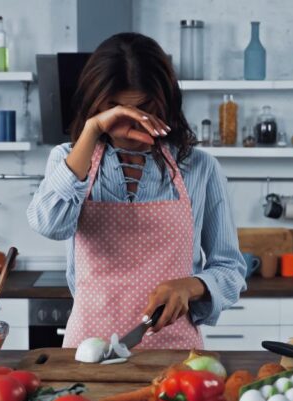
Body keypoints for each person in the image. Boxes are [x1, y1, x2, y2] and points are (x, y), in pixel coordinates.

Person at [27, 32, 246, 349]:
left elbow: (230, 269)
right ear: (96, 105)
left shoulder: (200, 168)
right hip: (89, 353)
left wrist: (193, 285)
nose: (131, 123)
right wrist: (92, 130)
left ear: (167, 103)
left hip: (175, 355)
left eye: (144, 108)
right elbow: (50, 224)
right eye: (114, 110)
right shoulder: (69, 160)